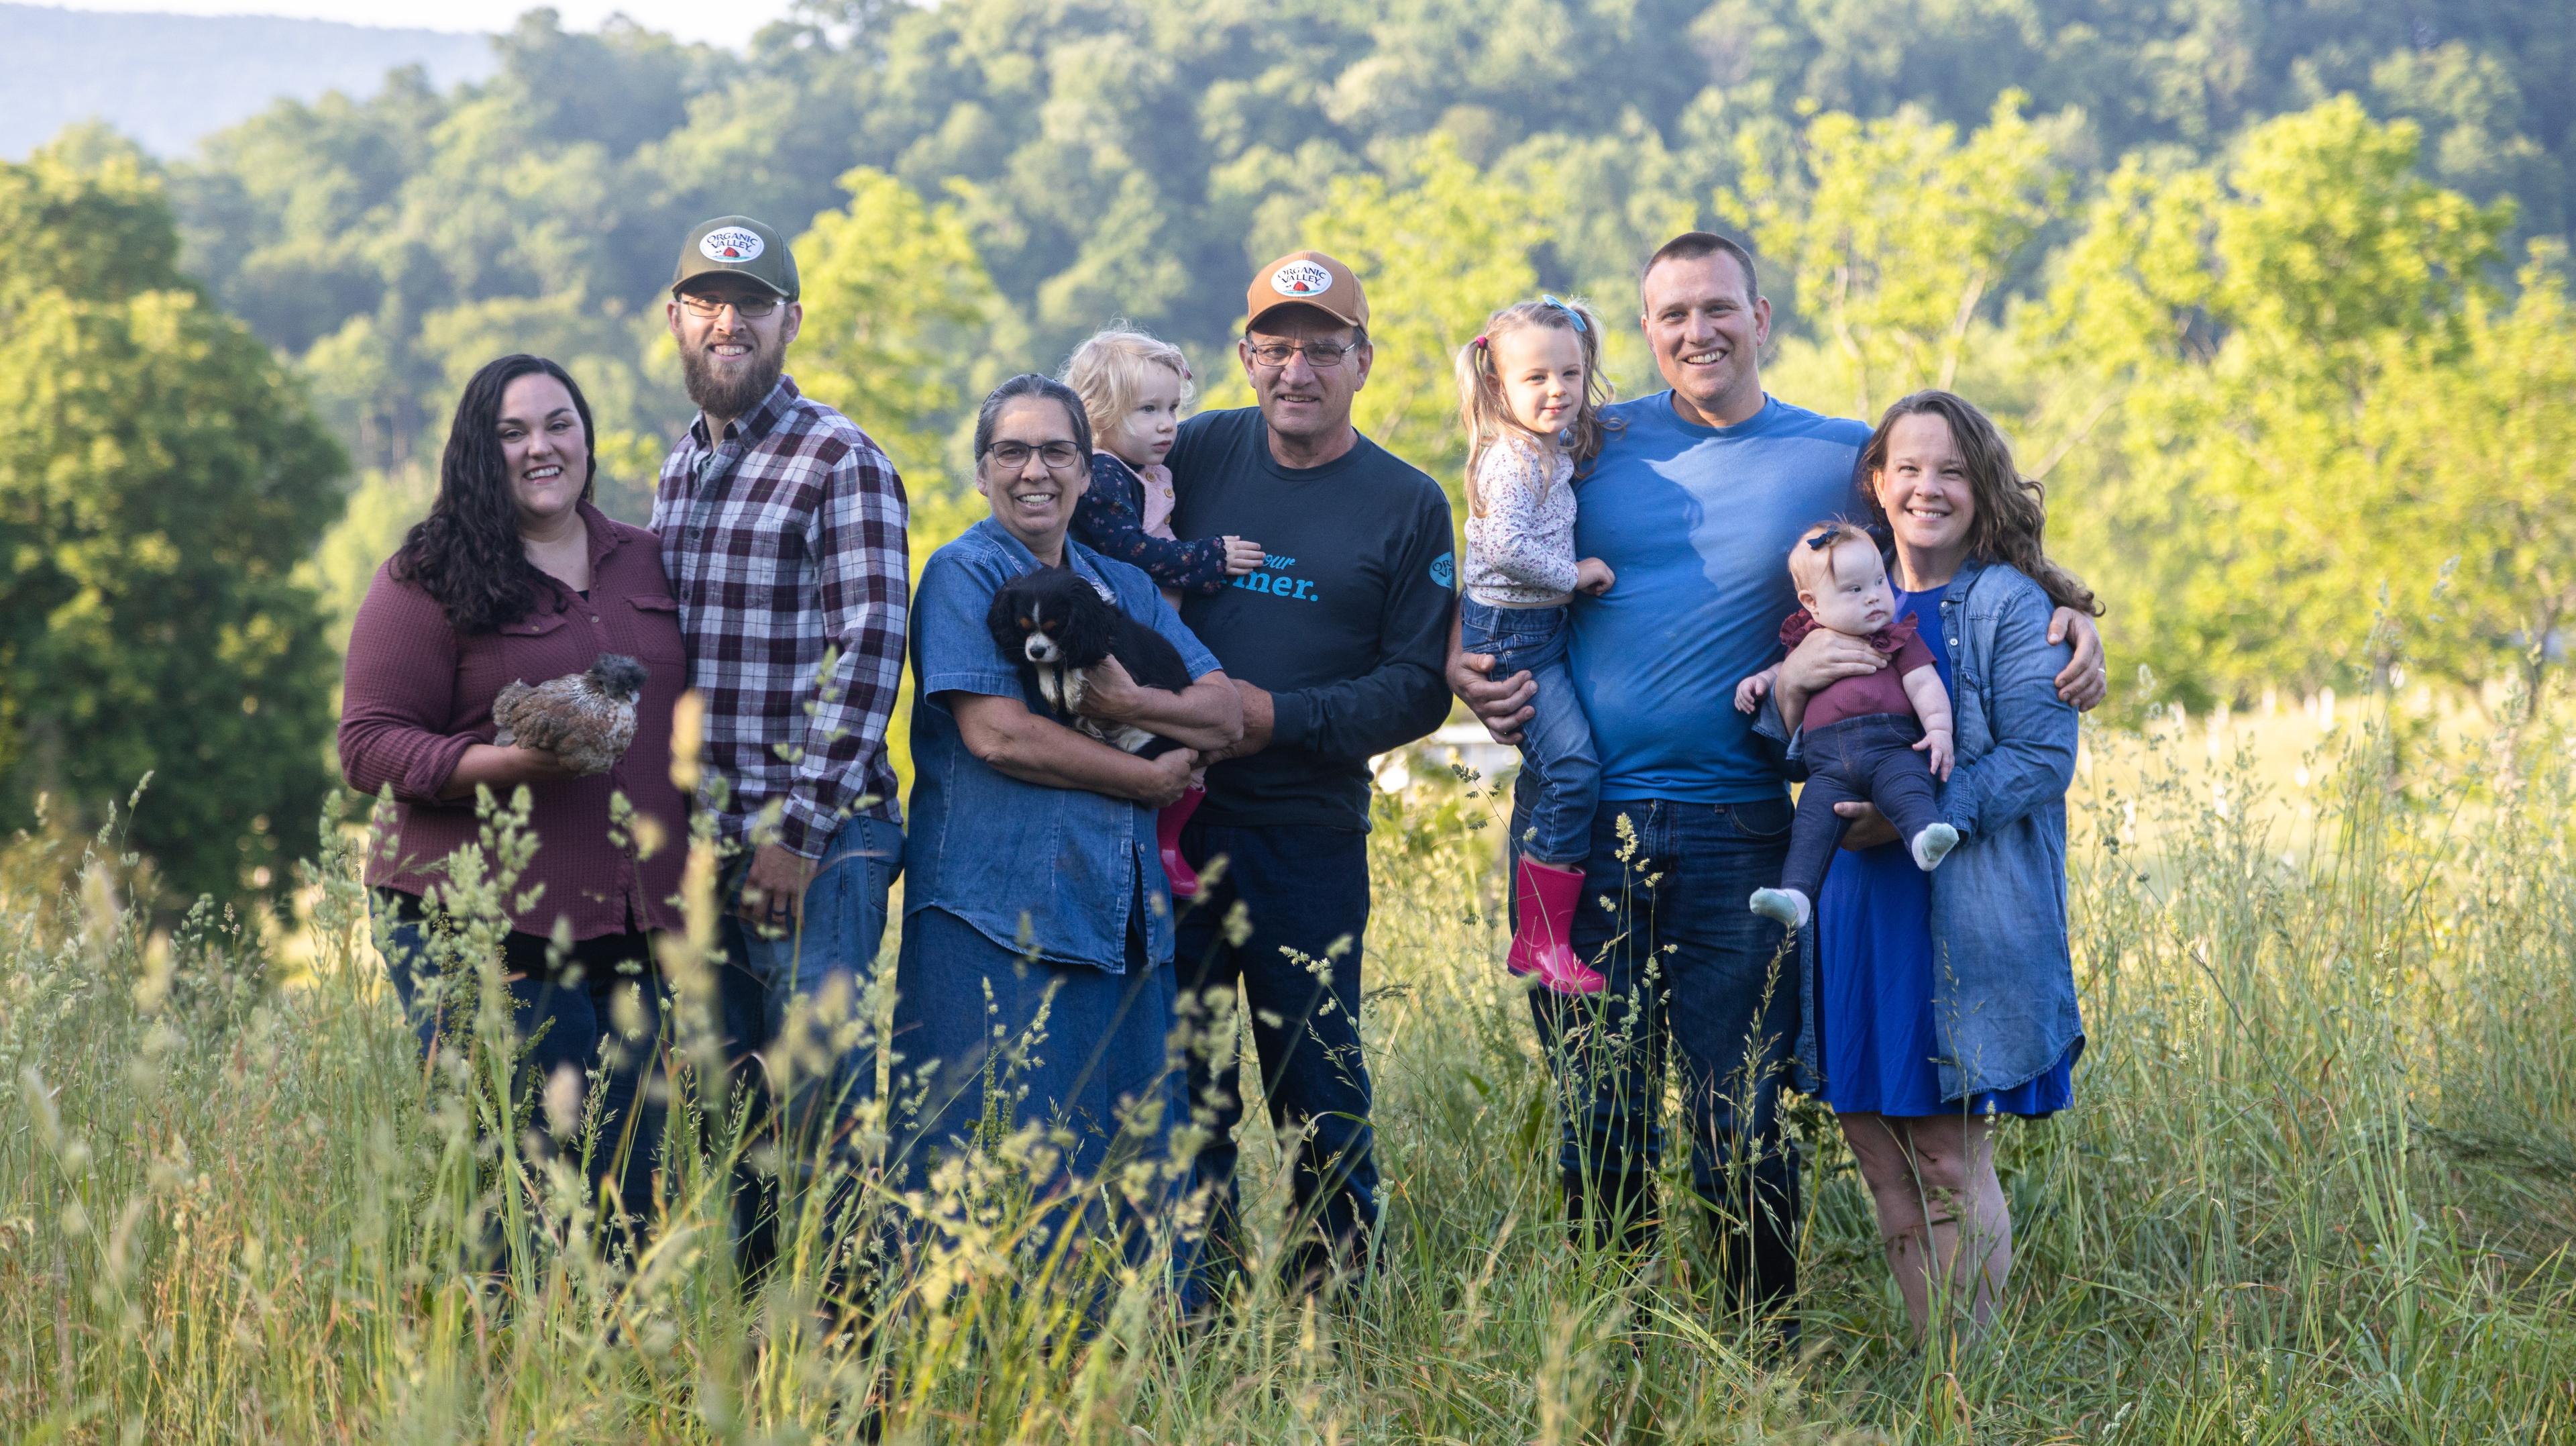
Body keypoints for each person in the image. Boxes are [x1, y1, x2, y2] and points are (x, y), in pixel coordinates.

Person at [1448, 233, 2107, 1342]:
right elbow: (1481, 543)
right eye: (1671, 316)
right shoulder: (1586, 447)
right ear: (1645, 331)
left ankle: (1764, 1359)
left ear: (1762, 317)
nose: (1697, 332)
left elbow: (1947, 509)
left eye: (1718, 309)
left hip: (1746, 830)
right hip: (1582, 828)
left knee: (1740, 1113)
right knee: (1598, 1111)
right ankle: (1617, 1358)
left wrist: (2069, 605)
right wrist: (1452, 658)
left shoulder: (1834, 456)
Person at [341, 353, 688, 1242]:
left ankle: (604, 1378)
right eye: (513, 431)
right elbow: (368, 744)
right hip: (479, 931)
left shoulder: (645, 560)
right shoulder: (426, 577)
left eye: (558, 423)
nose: (541, 446)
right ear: (477, 452)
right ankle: (503, 1371)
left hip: (633, 933)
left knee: (627, 1201)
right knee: (510, 1202)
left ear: (587, 436)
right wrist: (502, 767)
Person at [894, 374, 1241, 1261]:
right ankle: (965, 1383)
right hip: (988, 913)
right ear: (982, 472)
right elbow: (1000, 735)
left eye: (1056, 451)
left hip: (1117, 916)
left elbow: (1226, 713)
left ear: (1089, 474)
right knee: (977, 1171)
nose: (1034, 470)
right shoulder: (964, 572)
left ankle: (1124, 1383)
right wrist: (1146, 777)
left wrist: (1126, 696)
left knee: (1121, 1170)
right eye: (1011, 450)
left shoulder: (1122, 580)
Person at [1163, 249, 1456, 1295]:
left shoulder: (1407, 502)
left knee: (1318, 1080)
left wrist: (1275, 716)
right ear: (1244, 357)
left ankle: (1332, 1315)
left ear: (1363, 361)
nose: (1298, 369)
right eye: (1276, 347)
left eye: (1323, 349)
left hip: (1308, 833)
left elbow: (1419, 687)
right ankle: (1195, 1306)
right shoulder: (1191, 456)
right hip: (1170, 826)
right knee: (1184, 1080)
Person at [1769, 391, 2088, 1339]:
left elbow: (2041, 756)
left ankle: (1975, 1379)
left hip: (1957, 908)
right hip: (1854, 914)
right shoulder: (1842, 594)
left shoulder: (2010, 603)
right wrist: (1786, 685)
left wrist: (1917, 816)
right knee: (1877, 1152)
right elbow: (1785, 740)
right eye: (1908, 467)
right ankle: (1931, 1374)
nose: (1928, 487)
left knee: (1949, 1158)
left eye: (1951, 469)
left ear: (1982, 486)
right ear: (1876, 481)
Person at [649, 215, 910, 1269]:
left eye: (751, 305)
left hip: (821, 843)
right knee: (724, 1122)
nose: (728, 322)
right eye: (707, 302)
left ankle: (851, 1362)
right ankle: (761, 1346)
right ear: (674, 319)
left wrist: (794, 837)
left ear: (790, 321)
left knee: (823, 1109)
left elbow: (871, 651)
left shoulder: (838, 458)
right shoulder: (678, 469)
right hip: (703, 847)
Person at [1061, 326, 1265, 899]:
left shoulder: (1146, 472)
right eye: (1146, 409)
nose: (1167, 423)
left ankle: (1167, 844)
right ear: (1097, 413)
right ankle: (1159, 845)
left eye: (1172, 408)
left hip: (1157, 629)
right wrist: (1209, 557)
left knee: (1190, 744)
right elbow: (1131, 553)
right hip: (1129, 631)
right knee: (1154, 740)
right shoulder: (1101, 474)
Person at [1454, 295, 1617, 993]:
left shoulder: (1546, 448)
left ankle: (1536, 938)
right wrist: (1574, 575)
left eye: (1571, 375)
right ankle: (1543, 940)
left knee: (1556, 773)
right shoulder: (1511, 461)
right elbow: (1503, 543)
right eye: (1537, 379)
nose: (1558, 391)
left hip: (1537, 627)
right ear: (1498, 385)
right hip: (1513, 634)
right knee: (1572, 768)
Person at [1740, 521, 1959, 933]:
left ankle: (1924, 838)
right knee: (1812, 822)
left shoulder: (1895, 638)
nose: (1875, 597)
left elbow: (1924, 683)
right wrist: (1763, 682)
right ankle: (1796, 897)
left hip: (1891, 748)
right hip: (1828, 771)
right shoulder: (1810, 643)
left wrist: (1939, 730)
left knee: (1909, 784)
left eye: (1879, 581)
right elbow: (1786, 670)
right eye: (1855, 590)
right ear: (1813, 604)